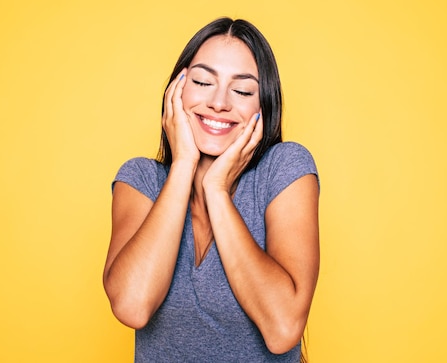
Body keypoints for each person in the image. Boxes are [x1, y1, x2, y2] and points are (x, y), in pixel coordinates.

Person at [103, 17, 320, 362]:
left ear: (263, 106)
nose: (219, 103)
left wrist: (216, 189)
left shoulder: (284, 169)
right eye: (203, 82)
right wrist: (184, 164)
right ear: (177, 91)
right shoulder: (141, 180)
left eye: (242, 90)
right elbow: (132, 306)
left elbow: (282, 330)